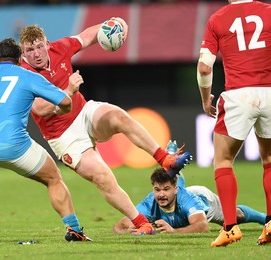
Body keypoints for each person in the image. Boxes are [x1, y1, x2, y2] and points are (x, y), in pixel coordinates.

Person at [19, 20, 192, 235]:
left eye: (39, 46)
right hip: (63, 137)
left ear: (47, 43)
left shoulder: (60, 48)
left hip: (83, 112)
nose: (36, 53)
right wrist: (69, 90)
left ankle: (165, 159)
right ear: (23, 53)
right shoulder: (24, 74)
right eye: (29, 50)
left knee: (119, 116)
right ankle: (141, 223)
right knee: (103, 178)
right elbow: (40, 109)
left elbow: (88, 35)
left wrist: (112, 23)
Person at [0, 38, 91, 244]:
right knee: (53, 178)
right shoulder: (27, 75)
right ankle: (74, 230)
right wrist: (66, 103)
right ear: (19, 59)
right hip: (16, 147)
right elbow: (64, 101)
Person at [197, 0, 271, 247]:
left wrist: (206, 98)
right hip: (269, 92)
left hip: (239, 94)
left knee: (223, 160)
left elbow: (205, 67)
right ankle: (270, 224)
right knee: (269, 160)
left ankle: (230, 228)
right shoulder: (269, 12)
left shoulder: (218, 18)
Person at [113, 167, 266, 234]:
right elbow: (119, 226)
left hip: (203, 200)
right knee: (171, 194)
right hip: (180, 196)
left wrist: (173, 231)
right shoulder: (150, 202)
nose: (160, 194)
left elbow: (202, 226)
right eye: (157, 189)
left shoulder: (190, 200)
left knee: (235, 216)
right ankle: (175, 171)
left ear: (174, 189)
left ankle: (265, 218)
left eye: (165, 189)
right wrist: (128, 230)